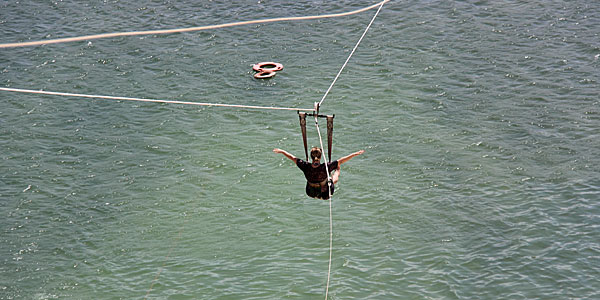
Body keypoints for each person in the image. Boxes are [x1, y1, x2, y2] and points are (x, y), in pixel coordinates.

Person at [273, 147, 364, 199]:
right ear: (320, 157)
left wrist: (282, 151)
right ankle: (338, 171)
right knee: (333, 177)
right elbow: (342, 160)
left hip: (310, 192)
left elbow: (292, 157)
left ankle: (333, 175)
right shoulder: (326, 167)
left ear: (311, 157)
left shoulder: (305, 165)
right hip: (326, 194)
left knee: (326, 179)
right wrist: (355, 154)